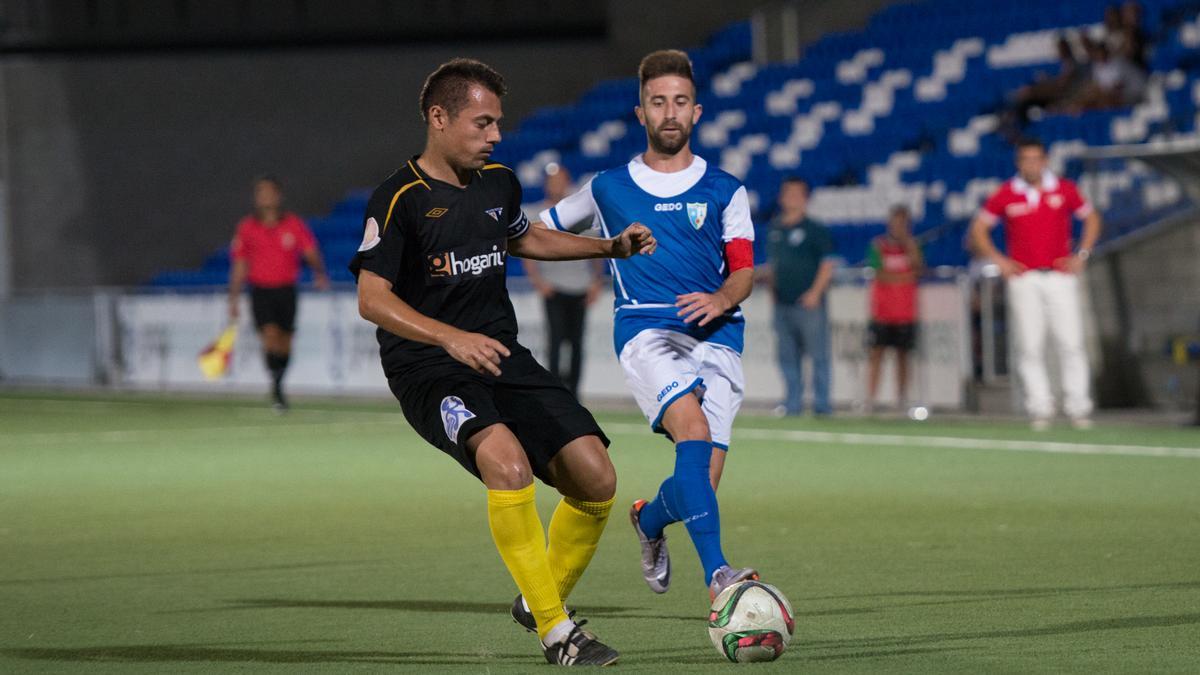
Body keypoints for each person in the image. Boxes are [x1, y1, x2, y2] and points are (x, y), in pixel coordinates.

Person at [350, 58, 656, 667]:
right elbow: (371, 299)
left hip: (500, 354)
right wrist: (447, 339)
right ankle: (557, 632)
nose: (495, 136)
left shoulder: (498, 183)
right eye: (482, 122)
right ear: (439, 118)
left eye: (498, 123)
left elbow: (524, 237)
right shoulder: (399, 198)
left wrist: (607, 247)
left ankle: (536, 600)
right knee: (507, 464)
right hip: (428, 368)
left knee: (596, 477)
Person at [540, 49, 760, 601]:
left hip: (719, 333)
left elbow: (744, 273)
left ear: (697, 112)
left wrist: (720, 297)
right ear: (640, 113)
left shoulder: (726, 189)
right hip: (646, 331)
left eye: (680, 102)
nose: (669, 112)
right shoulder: (608, 186)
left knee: (699, 485)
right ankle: (719, 576)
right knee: (694, 432)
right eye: (658, 102)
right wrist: (602, 247)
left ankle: (650, 520)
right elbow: (540, 232)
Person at [969, 137, 1101, 430]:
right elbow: (979, 229)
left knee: (1071, 343)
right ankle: (1040, 407)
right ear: (1019, 163)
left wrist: (1082, 253)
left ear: (1045, 161)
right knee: (1030, 345)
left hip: (1060, 275)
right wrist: (1000, 261)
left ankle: (1078, 406)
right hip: (1024, 277)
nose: (1031, 164)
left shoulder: (1064, 188)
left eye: (1035, 158)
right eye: (1025, 159)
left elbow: (1091, 218)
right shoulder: (1007, 194)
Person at [227, 175, 329, 410]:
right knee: (270, 335)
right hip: (261, 290)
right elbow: (240, 263)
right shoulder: (247, 227)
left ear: (278, 195)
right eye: (260, 193)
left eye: (269, 192)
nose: (265, 197)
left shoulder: (293, 224)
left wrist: (319, 273)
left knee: (285, 342)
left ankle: (278, 382)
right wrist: (233, 297)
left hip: (286, 290)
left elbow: (310, 251)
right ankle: (277, 388)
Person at [523, 164, 606, 398]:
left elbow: (596, 248)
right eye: (552, 181)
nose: (555, 185)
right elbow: (526, 249)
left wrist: (596, 281)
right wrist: (538, 281)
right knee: (556, 341)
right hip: (554, 288)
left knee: (577, 343)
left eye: (559, 180)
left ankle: (574, 393)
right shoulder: (536, 213)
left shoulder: (577, 211)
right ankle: (557, 392)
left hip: (580, 286)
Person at [762, 177, 836, 417]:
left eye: (796, 194)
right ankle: (793, 403)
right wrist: (772, 291)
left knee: (819, 355)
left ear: (805, 198)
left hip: (809, 304)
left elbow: (827, 264)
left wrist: (815, 293)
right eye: (787, 193)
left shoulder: (815, 229)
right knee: (787, 356)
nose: (791, 198)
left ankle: (822, 405)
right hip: (782, 302)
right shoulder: (775, 229)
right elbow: (773, 265)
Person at [864, 205, 924, 412]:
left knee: (903, 357)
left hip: (905, 312)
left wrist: (910, 246)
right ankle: (871, 399)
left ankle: (902, 399)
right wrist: (903, 277)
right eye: (895, 223)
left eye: (903, 223)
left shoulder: (913, 246)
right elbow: (879, 273)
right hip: (882, 312)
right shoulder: (878, 245)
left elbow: (918, 269)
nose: (898, 227)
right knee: (876, 355)